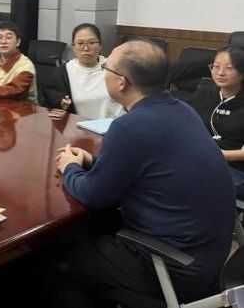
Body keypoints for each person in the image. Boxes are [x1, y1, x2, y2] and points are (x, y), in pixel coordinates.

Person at [54, 39, 235, 306]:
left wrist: (69, 166)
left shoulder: (128, 127)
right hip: (210, 257)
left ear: (122, 82)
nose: (103, 72)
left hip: (174, 266)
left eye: (106, 68)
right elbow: (151, 165)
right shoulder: (182, 110)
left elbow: (93, 195)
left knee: (60, 266)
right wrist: (92, 161)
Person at [191, 46, 244, 197]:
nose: (220, 73)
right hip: (201, 159)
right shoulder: (204, 93)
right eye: (216, 66)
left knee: (191, 179)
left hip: (234, 168)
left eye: (229, 68)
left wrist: (214, 154)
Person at [43, 23, 124, 119]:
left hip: (112, 125)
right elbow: (49, 97)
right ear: (73, 47)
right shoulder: (64, 71)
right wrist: (61, 102)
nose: (86, 48)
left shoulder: (113, 68)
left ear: (100, 45)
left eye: (92, 43)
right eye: (80, 44)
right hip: (77, 126)